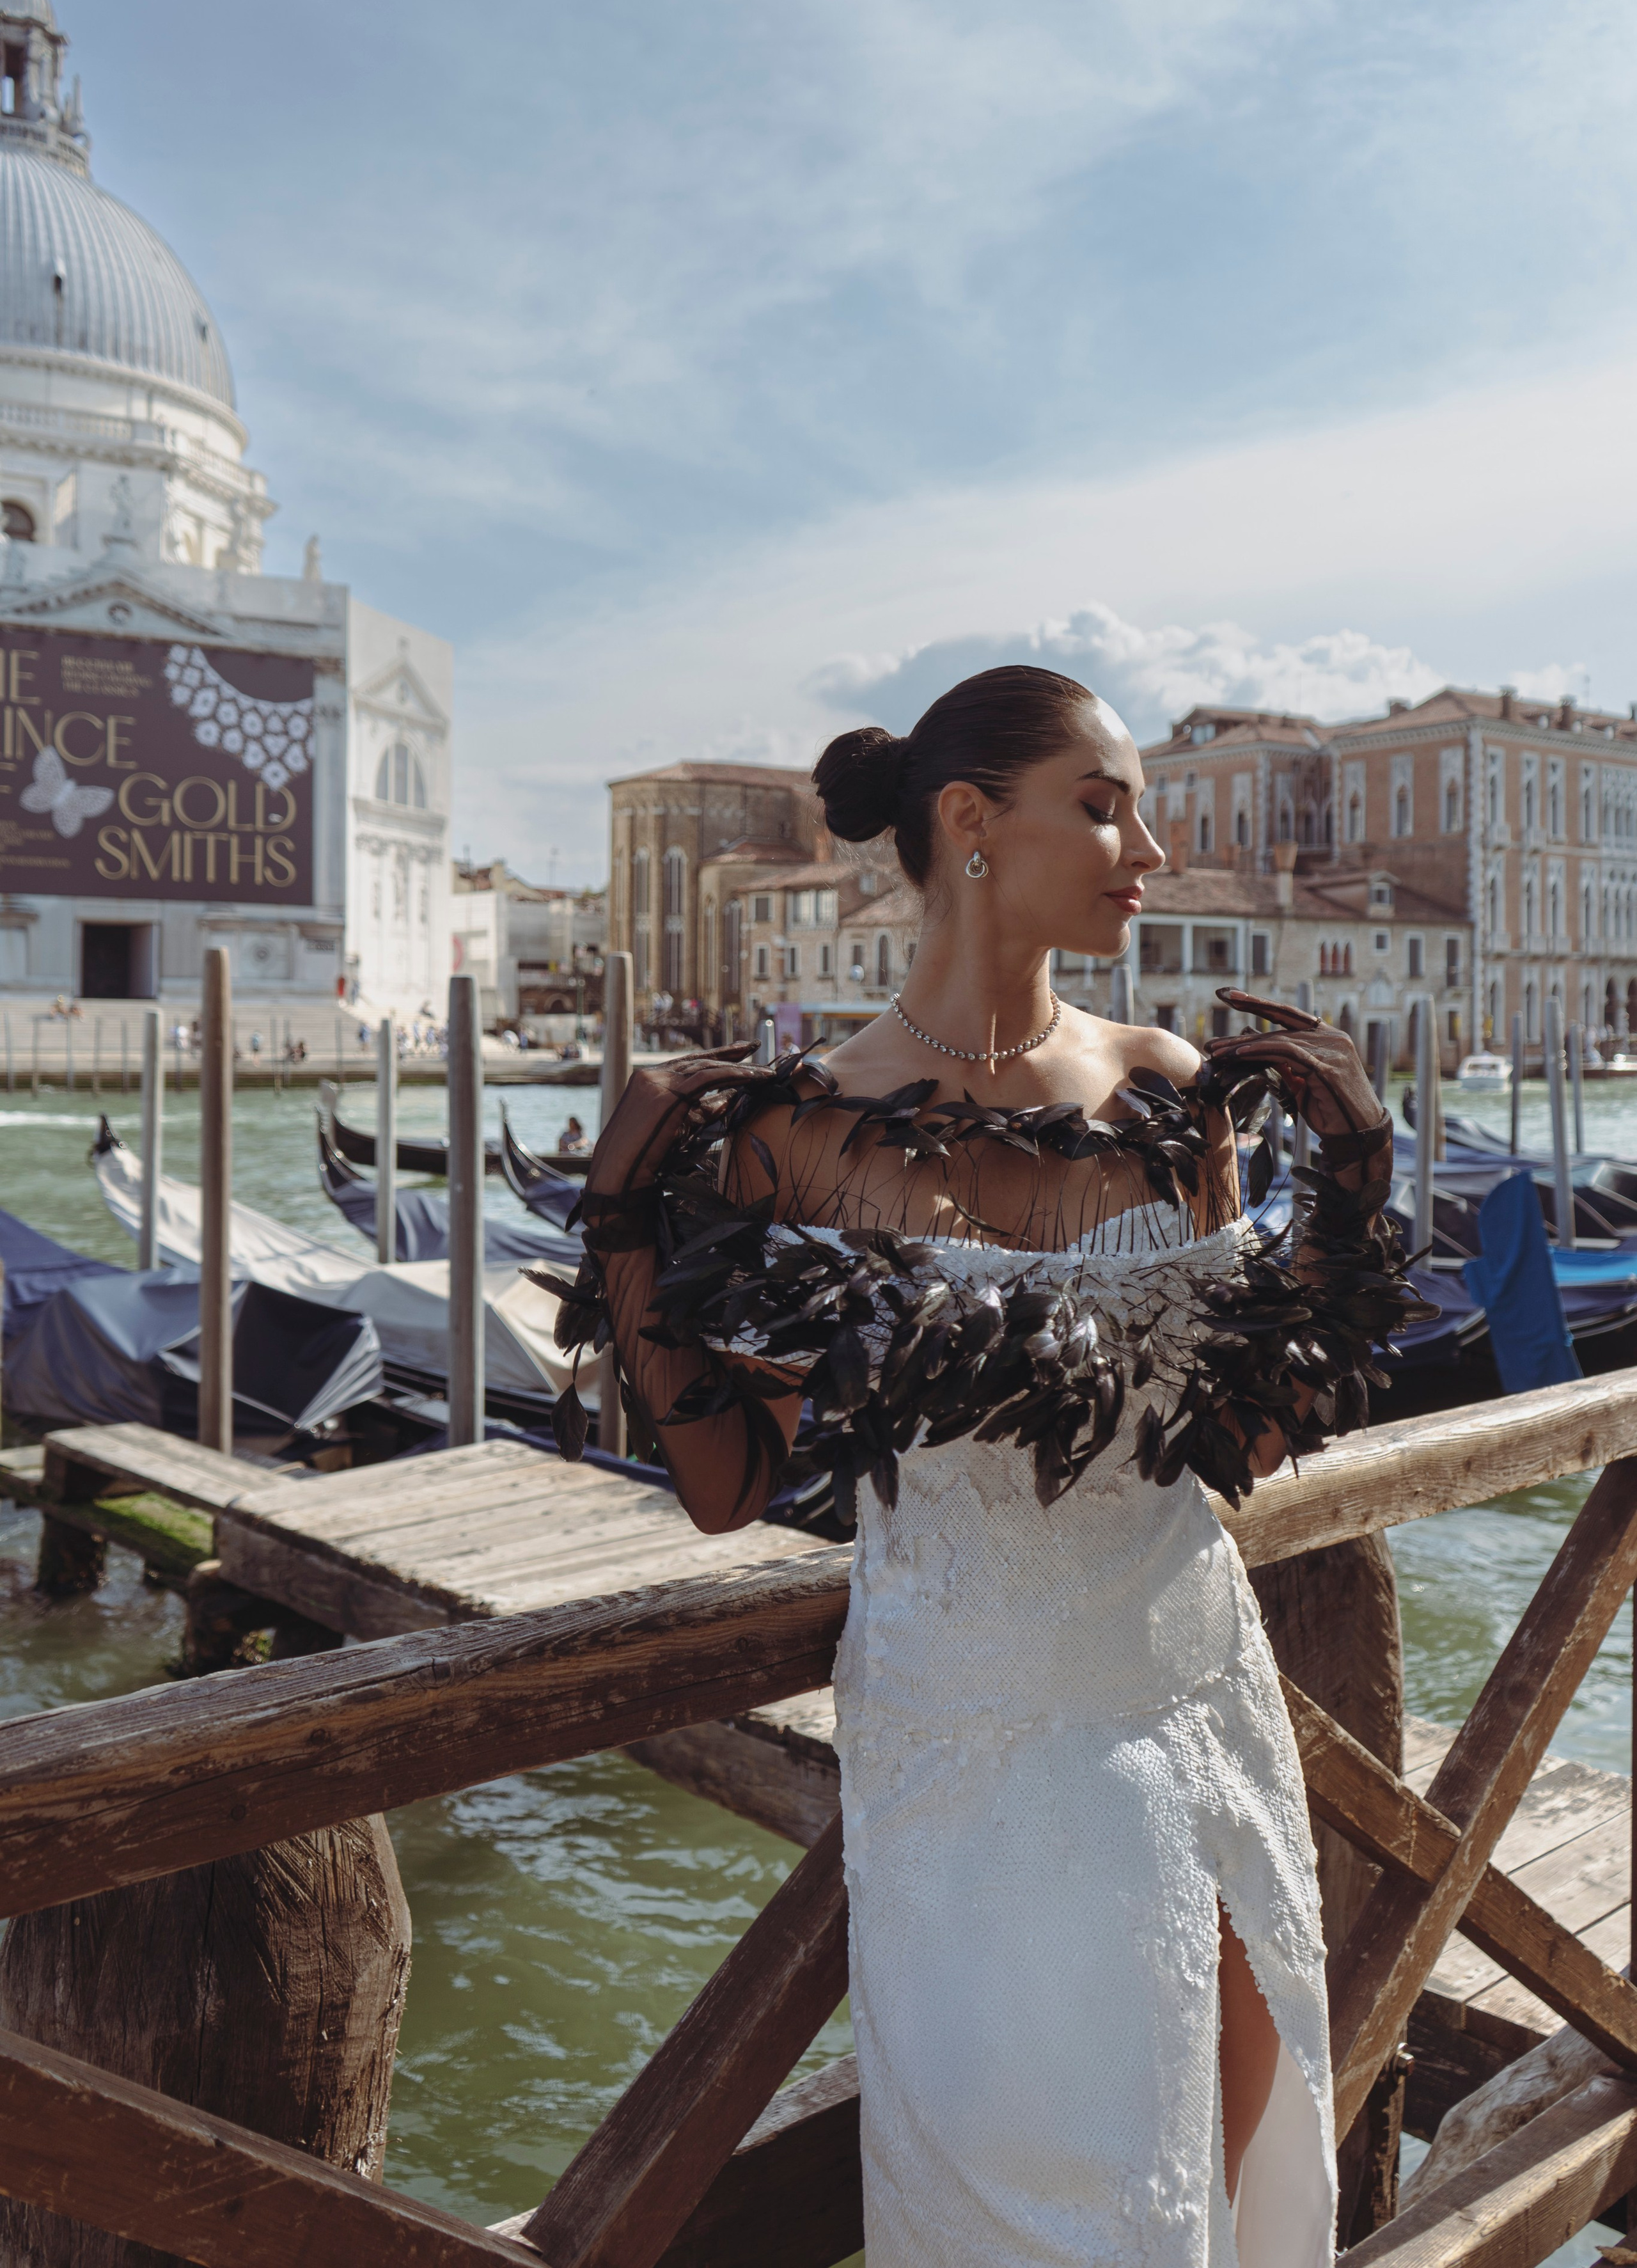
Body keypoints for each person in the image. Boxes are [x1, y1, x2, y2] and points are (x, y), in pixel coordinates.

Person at [551, 666, 1412, 2267]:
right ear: (968, 825)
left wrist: (1353, 1196)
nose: (1143, 846)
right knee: (1039, 2207)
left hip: (1196, 1688)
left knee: (1246, 2164)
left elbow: (1235, 1443)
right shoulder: (790, 1133)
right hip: (972, 1740)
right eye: (1100, 805)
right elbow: (730, 1484)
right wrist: (620, 1211)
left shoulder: (1168, 1089)